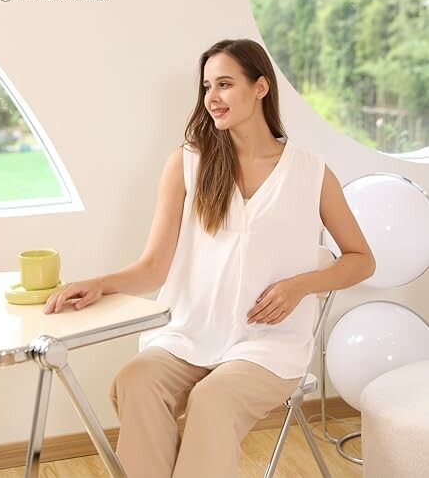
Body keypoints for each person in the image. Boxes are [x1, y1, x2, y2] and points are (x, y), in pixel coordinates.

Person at [44, 38, 376, 478]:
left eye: (224, 84)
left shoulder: (310, 172)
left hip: (266, 345)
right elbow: (153, 267)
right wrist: (101, 283)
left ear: (260, 88)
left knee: (213, 399)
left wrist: (300, 285)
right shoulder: (187, 163)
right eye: (206, 87)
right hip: (189, 334)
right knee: (135, 381)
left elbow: (361, 259)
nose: (212, 98)